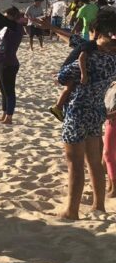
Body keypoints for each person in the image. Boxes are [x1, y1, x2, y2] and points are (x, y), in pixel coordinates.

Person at [55, 11, 116, 219]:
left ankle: (71, 210)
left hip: (78, 111)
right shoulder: (113, 59)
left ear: (96, 31)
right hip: (97, 110)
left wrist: (82, 53)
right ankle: (99, 205)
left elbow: (62, 77)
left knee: (75, 163)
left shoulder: (89, 57)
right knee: (94, 162)